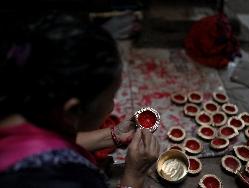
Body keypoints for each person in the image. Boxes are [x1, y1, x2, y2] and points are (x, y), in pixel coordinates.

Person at [0, 13, 160, 188]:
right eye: (111, 97)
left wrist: (113, 135)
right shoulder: (62, 176)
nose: (113, 105)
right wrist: (134, 175)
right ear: (73, 110)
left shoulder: (16, 94)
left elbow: (44, 140)